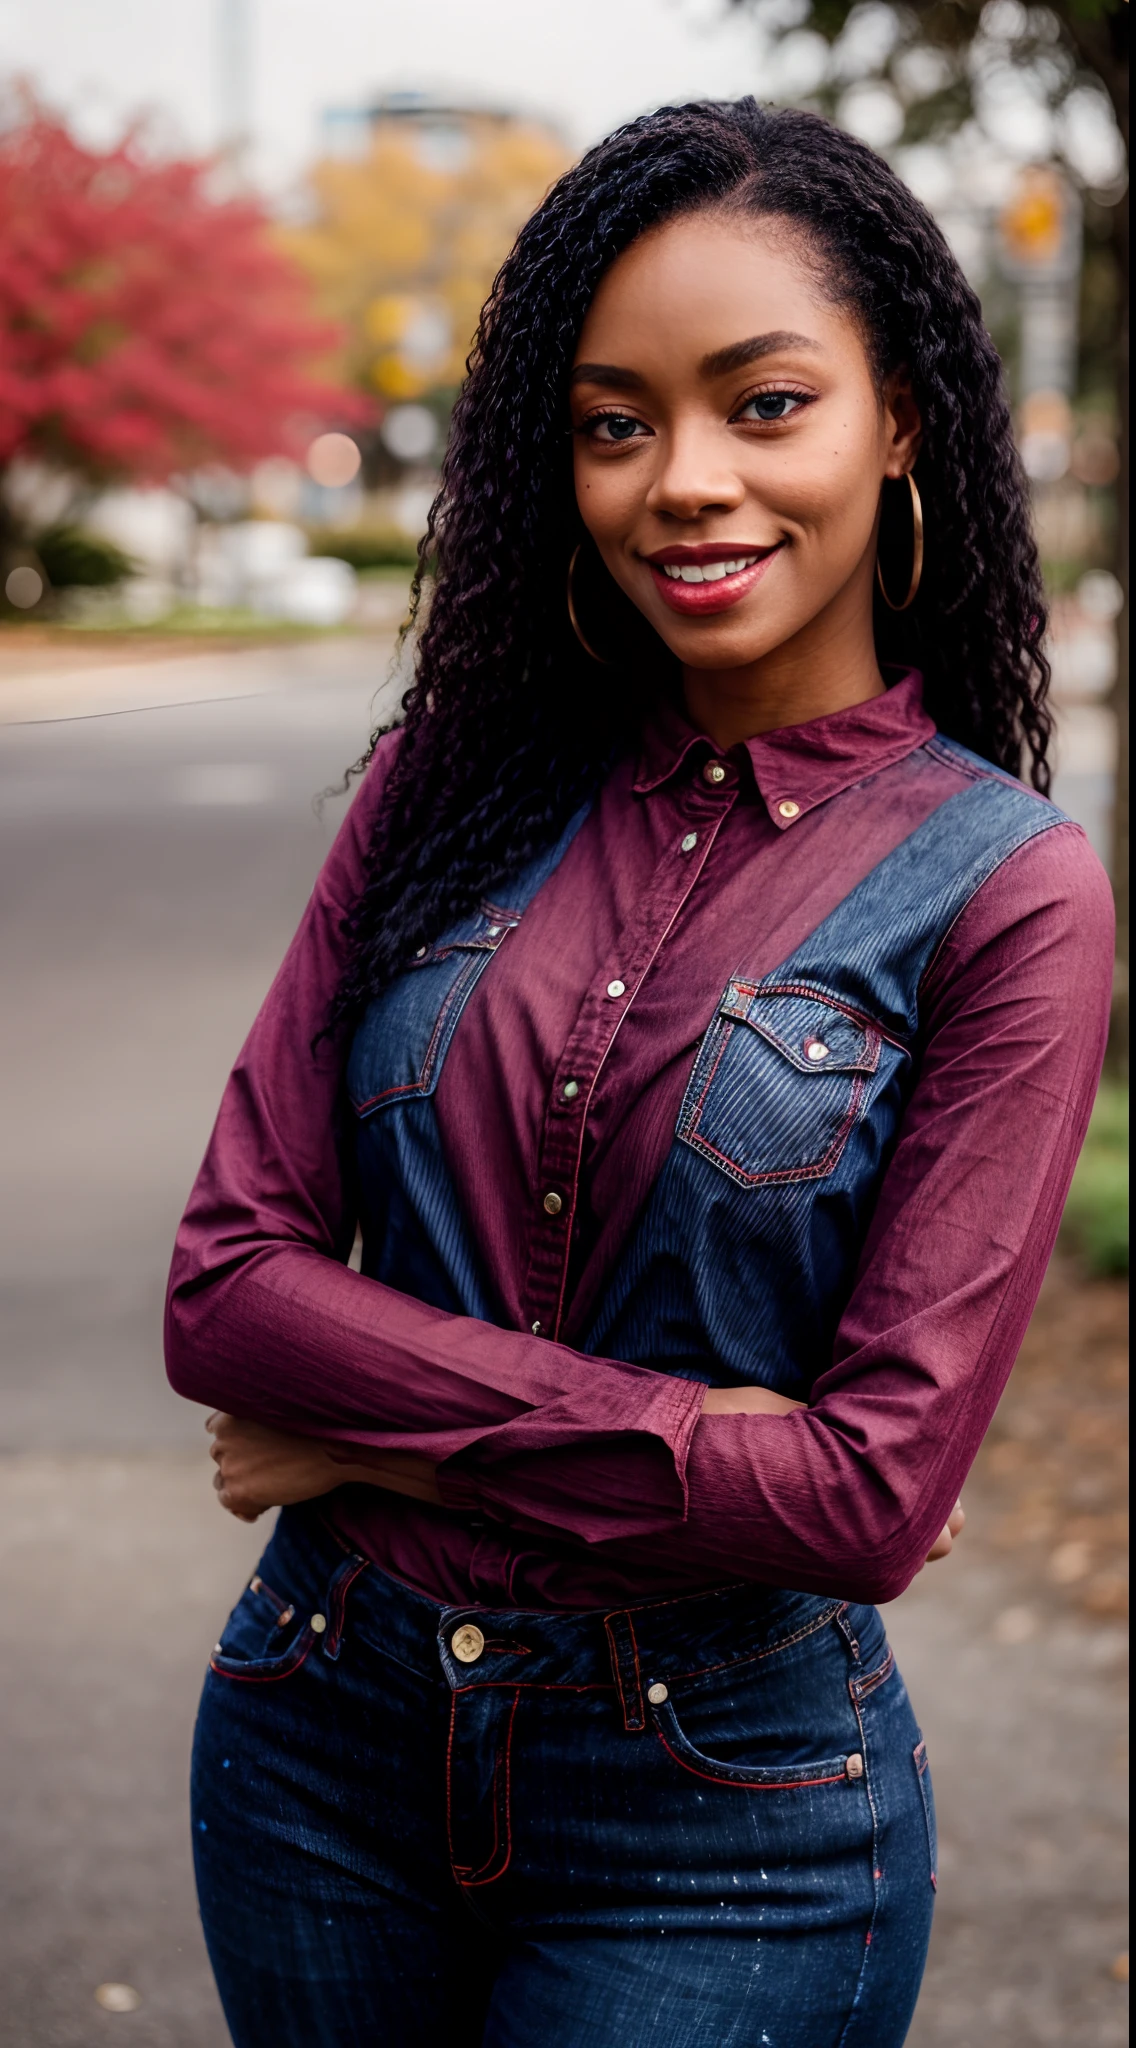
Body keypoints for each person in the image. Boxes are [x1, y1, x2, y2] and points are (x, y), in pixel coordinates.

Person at [166, 98, 1113, 2048]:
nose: (682, 479)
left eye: (762, 405)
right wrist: (700, 1440)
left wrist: (363, 1432)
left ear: (901, 418)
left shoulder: (1005, 888)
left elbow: (863, 1496)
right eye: (614, 424)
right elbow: (224, 1282)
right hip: (316, 1745)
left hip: (726, 1818)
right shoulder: (452, 782)